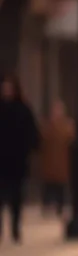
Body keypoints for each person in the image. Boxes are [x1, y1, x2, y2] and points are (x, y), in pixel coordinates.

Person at [0, 74, 39, 243]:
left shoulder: (23, 109)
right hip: (1, 160)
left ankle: (15, 228)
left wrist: (28, 150)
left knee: (16, 196)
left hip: (17, 161)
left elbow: (32, 134)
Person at [39, 99, 75, 217]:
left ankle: (59, 206)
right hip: (50, 163)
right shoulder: (48, 126)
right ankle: (47, 205)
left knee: (60, 187)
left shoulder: (67, 126)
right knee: (49, 185)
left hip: (62, 163)